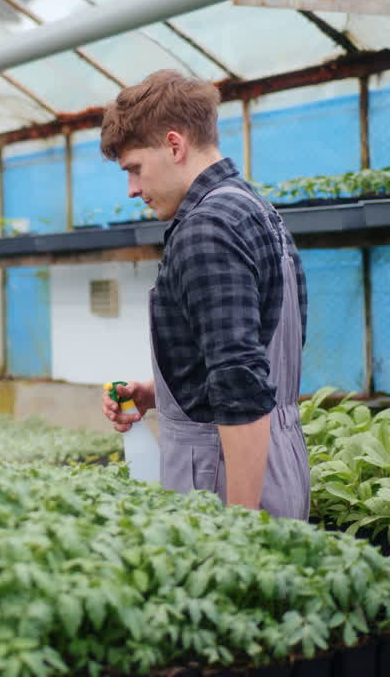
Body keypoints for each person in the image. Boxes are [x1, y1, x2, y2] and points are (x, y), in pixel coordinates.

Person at [98, 70, 310, 520]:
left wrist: (238, 527)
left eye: (134, 169)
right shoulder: (252, 207)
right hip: (276, 461)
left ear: (175, 146)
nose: (133, 189)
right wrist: (159, 395)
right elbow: (246, 353)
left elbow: (241, 387)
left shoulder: (206, 230)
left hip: (224, 478)